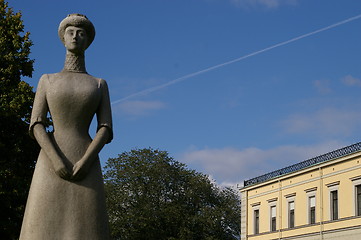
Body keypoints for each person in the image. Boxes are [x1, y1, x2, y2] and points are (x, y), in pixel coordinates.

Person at [19, 14, 112, 240]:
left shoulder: (98, 84)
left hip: (86, 162)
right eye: (70, 32)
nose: (75, 37)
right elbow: (36, 123)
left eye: (81, 33)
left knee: (88, 228)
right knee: (40, 228)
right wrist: (56, 159)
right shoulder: (47, 80)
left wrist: (86, 160)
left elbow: (106, 128)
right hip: (50, 160)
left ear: (88, 40)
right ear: (63, 38)